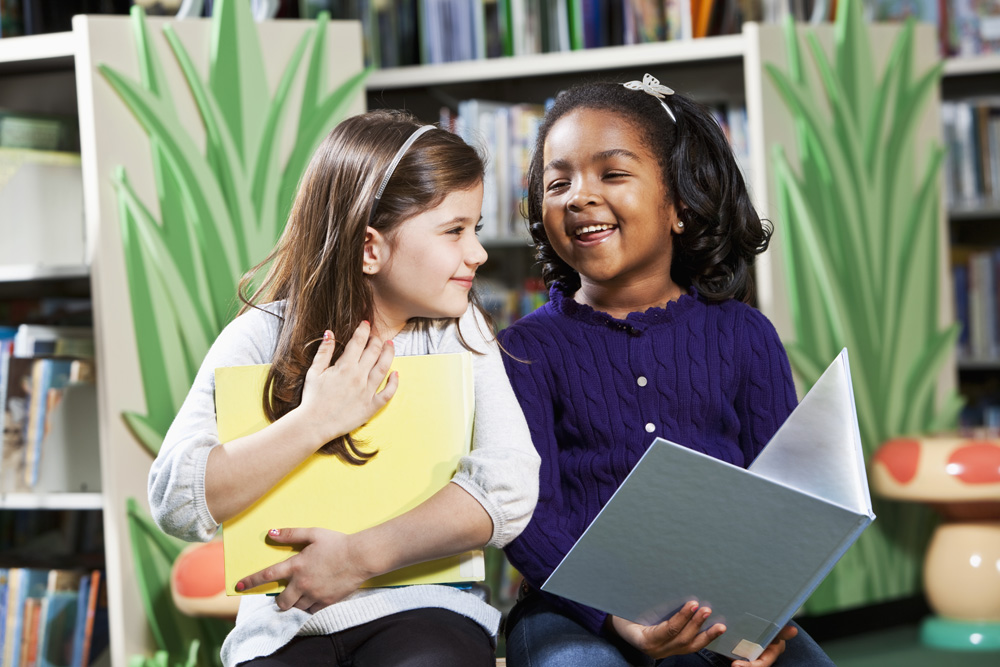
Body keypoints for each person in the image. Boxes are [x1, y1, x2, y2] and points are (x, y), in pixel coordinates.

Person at [148, 109, 541, 667]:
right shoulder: (263, 333)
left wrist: (357, 558)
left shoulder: (460, 331)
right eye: (454, 231)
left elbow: (510, 486)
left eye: (474, 229)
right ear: (369, 248)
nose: (476, 253)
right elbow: (177, 499)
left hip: (427, 614)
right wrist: (314, 422)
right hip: (283, 626)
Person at [498, 78, 837, 667]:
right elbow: (526, 514)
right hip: (572, 609)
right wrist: (614, 618)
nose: (579, 196)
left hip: (724, 609)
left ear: (680, 205)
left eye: (612, 173)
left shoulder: (746, 336)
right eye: (558, 183)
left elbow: (785, 501)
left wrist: (767, 611)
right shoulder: (521, 351)